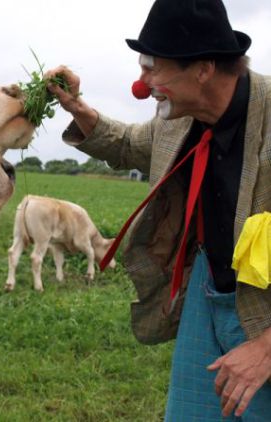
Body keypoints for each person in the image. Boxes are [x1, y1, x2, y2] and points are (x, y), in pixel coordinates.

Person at [46, 0, 271, 420]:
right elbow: (130, 144)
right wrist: (77, 107)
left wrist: (265, 347)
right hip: (208, 292)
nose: (142, 83)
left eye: (153, 68)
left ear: (203, 69)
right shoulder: (179, 118)